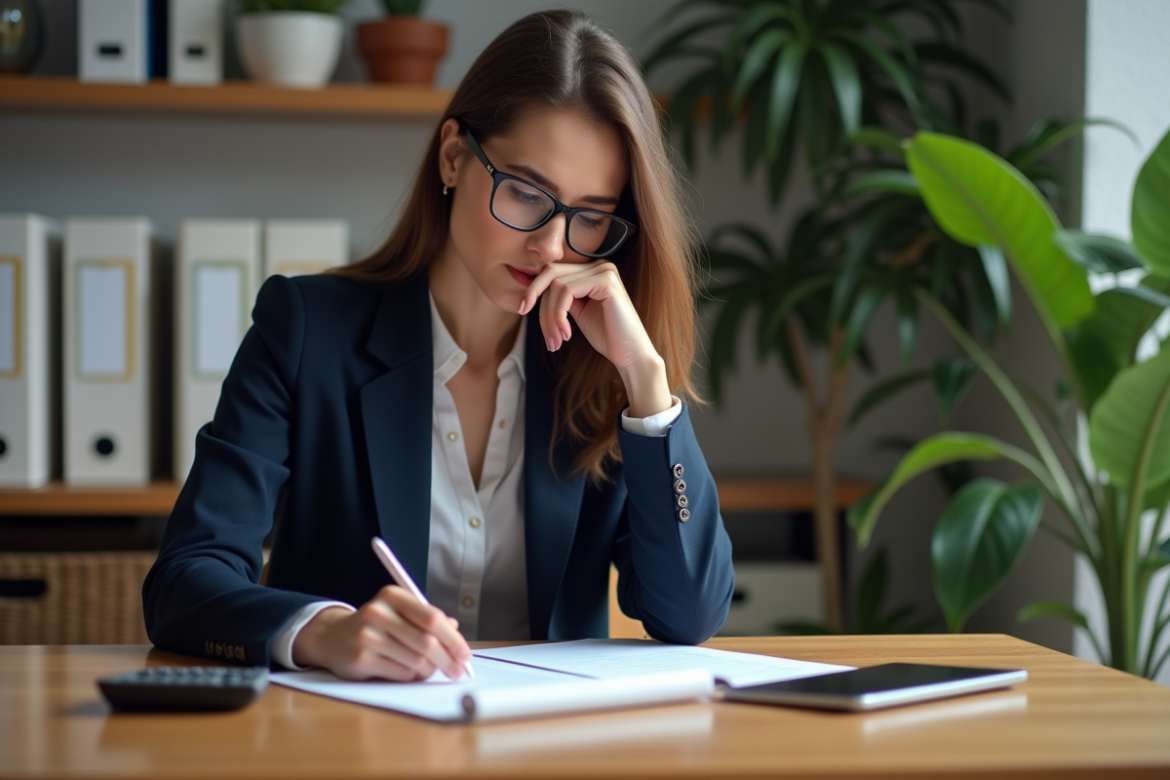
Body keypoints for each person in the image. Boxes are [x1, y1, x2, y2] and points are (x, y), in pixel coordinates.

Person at [143, 9, 734, 682]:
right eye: (524, 191)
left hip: (545, 746)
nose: (550, 245)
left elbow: (689, 615)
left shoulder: (602, 373)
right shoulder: (307, 330)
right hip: (348, 743)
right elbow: (185, 581)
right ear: (454, 156)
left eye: (590, 217)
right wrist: (325, 631)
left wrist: (646, 383)